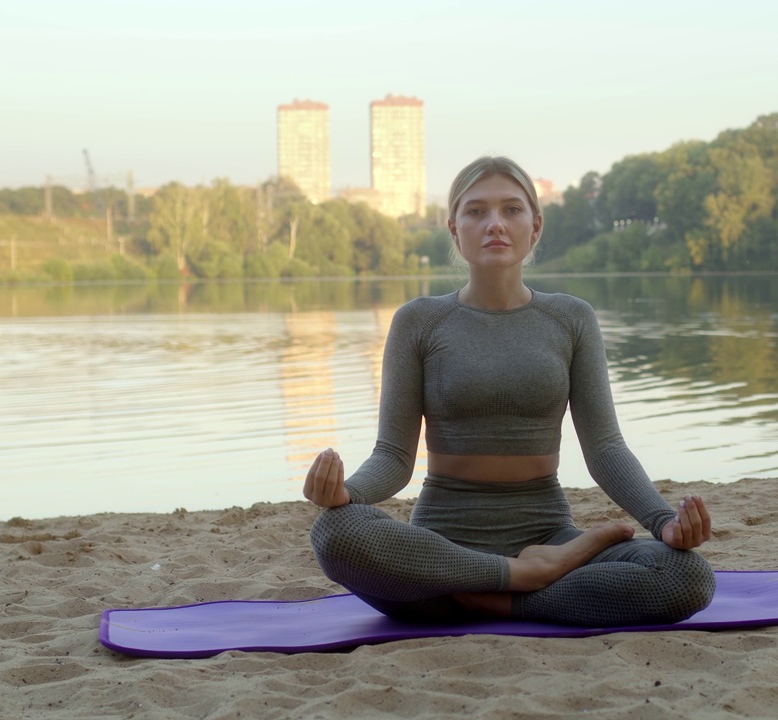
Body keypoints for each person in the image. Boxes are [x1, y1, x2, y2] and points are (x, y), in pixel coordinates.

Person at [304, 156, 715, 627]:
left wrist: (663, 522)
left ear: (535, 226)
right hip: (441, 546)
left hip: (547, 534)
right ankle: (519, 578)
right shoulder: (418, 321)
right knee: (334, 533)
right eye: (476, 211)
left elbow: (605, 449)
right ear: (455, 230)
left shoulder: (571, 318)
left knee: (684, 577)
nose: (494, 224)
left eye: (511, 210)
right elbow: (394, 456)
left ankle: (489, 595)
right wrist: (346, 495)